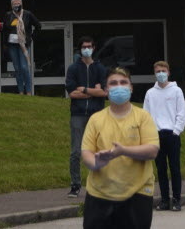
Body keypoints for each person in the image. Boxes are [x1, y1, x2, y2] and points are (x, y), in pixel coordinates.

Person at [80, 67, 159, 229]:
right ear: (106, 90)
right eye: (113, 83)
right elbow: (86, 152)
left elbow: (152, 150)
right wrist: (95, 163)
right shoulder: (96, 119)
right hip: (99, 193)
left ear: (130, 88)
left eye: (123, 82)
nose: (119, 86)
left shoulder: (143, 116)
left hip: (137, 193)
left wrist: (123, 151)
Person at [64, 33, 108, 199]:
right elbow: (72, 93)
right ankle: (75, 185)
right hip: (78, 114)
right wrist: (92, 92)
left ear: (94, 48)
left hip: (96, 114)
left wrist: (84, 89)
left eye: (89, 47)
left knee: (98, 150)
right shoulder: (73, 68)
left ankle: (98, 184)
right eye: (84, 47)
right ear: (80, 49)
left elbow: (104, 92)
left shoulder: (100, 68)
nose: (87, 50)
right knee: (76, 151)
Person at [142, 60, 185, 211]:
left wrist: (176, 131)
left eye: (163, 70)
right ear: (155, 73)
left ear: (168, 72)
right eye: (158, 71)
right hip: (156, 135)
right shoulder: (150, 93)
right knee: (161, 169)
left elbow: (181, 113)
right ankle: (165, 200)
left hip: (172, 135)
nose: (161, 74)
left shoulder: (176, 91)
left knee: (175, 168)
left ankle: (177, 199)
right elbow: (146, 114)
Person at [5, 0, 40, 95]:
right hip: (12, 45)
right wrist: (6, 43)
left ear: (21, 4)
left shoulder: (27, 14)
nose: (16, 5)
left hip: (23, 44)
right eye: (14, 4)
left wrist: (31, 37)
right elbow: (5, 29)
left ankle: (28, 91)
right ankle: (20, 91)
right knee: (17, 68)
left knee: (24, 67)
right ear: (11, 5)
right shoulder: (8, 15)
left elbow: (38, 25)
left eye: (18, 3)